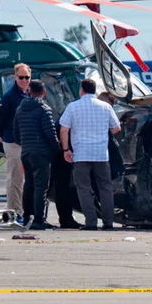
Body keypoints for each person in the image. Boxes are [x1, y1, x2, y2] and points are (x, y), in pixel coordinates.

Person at [59, 79, 121, 231]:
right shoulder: (106, 107)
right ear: (95, 90)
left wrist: (66, 150)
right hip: (101, 154)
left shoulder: (73, 107)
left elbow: (64, 129)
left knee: (84, 188)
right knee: (105, 188)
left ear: (82, 90)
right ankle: (108, 222)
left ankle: (91, 222)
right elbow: (116, 128)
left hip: (81, 153)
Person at [13, 80, 61, 230]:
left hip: (26, 152)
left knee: (29, 185)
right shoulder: (44, 109)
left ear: (29, 91)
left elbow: (16, 134)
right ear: (43, 92)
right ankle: (39, 219)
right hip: (41, 153)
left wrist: (25, 144)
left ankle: (27, 217)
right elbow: (50, 134)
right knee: (41, 186)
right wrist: (57, 150)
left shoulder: (20, 109)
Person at [0, 63, 31, 219]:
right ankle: (14, 211)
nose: (24, 80)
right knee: (15, 177)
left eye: (27, 77)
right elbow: (0, 120)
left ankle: (22, 209)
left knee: (24, 179)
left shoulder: (27, 94)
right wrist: (5, 137)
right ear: (15, 77)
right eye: (21, 77)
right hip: (13, 142)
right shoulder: (9, 96)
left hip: (25, 142)